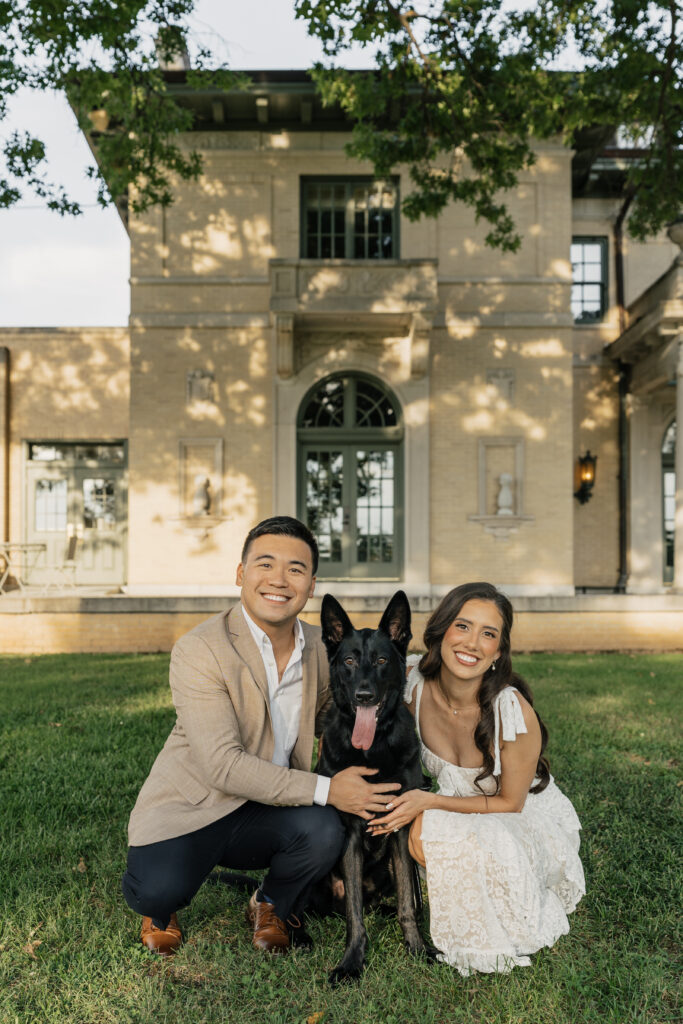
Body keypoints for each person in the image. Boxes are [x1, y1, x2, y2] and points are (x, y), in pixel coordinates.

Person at [122, 516, 400, 956]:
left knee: (326, 830)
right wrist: (330, 788)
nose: (279, 580)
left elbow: (372, 683)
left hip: (272, 807)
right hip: (195, 804)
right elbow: (223, 766)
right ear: (240, 573)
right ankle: (160, 911)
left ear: (311, 585)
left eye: (295, 569)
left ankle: (269, 903)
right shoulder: (200, 648)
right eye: (265, 564)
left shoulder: (323, 649)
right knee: (156, 889)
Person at [367, 582, 585, 975]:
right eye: (463, 627)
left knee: (437, 826)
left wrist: (428, 801)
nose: (472, 643)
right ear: (440, 631)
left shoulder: (510, 709)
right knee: (426, 827)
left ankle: (510, 903)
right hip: (456, 807)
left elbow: (510, 803)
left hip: (518, 814)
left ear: (499, 651)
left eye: (489, 634)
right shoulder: (412, 682)